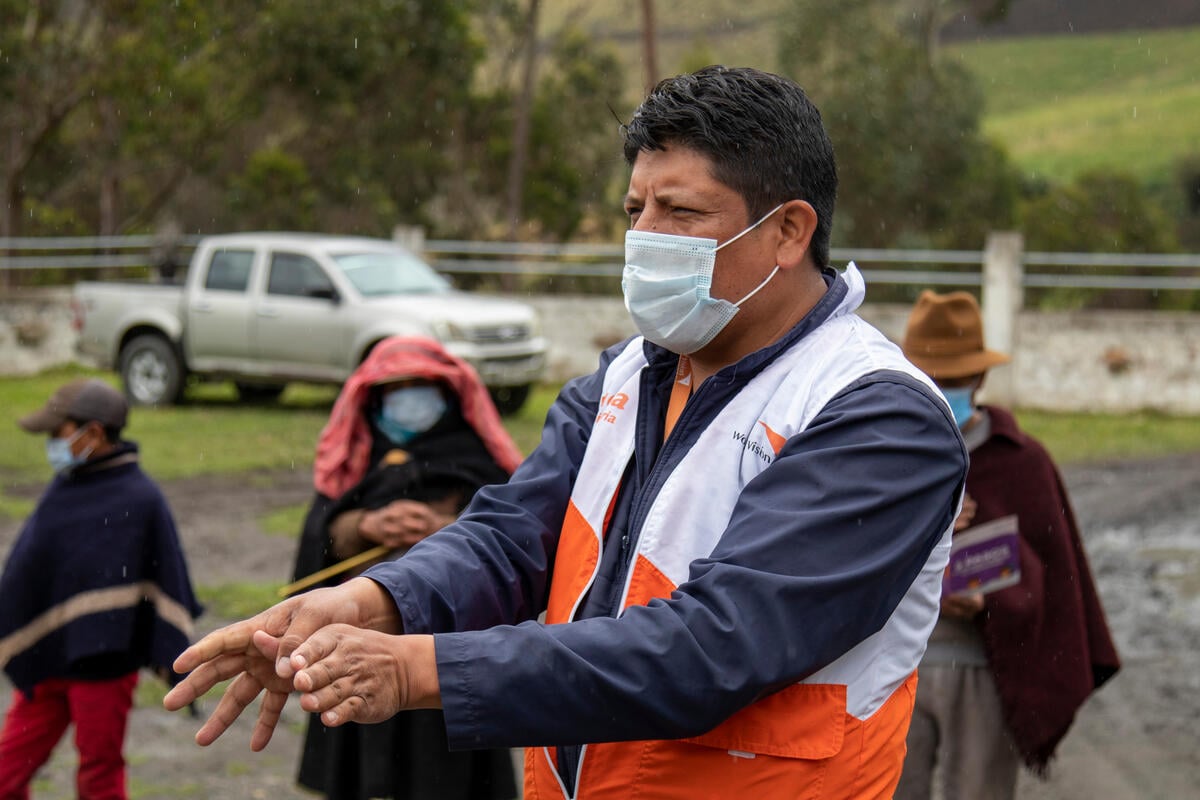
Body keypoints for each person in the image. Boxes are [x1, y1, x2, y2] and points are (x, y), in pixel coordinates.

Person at [164, 65, 969, 799]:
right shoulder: (628, 376)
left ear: (790, 232)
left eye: (680, 211)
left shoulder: (879, 417)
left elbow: (716, 647)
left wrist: (418, 668)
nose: (644, 236)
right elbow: (513, 535)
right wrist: (372, 601)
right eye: (634, 209)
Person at [894, 290, 1121, 800]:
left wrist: (988, 601)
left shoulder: (1022, 463)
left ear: (980, 379)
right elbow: (844, 551)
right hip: (891, 666)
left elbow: (1055, 575)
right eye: (932, 379)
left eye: (953, 381)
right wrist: (931, 533)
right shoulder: (885, 451)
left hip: (981, 669)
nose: (942, 390)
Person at [289, 335, 521, 800]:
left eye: (422, 386)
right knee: (361, 753)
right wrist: (365, 524)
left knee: (446, 771)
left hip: (448, 645)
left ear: (449, 394)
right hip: (360, 638)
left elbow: (515, 532)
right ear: (375, 397)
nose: (409, 398)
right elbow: (321, 535)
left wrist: (450, 530)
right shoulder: (356, 455)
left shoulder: (477, 458)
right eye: (397, 388)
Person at [0, 378, 202, 800]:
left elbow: (162, 577)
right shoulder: (67, 487)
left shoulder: (140, 498)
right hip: (47, 662)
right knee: (6, 771)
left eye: (56, 434)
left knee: (99, 775)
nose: (51, 445)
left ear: (91, 433)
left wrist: (170, 654)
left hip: (106, 669)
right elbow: (33, 567)